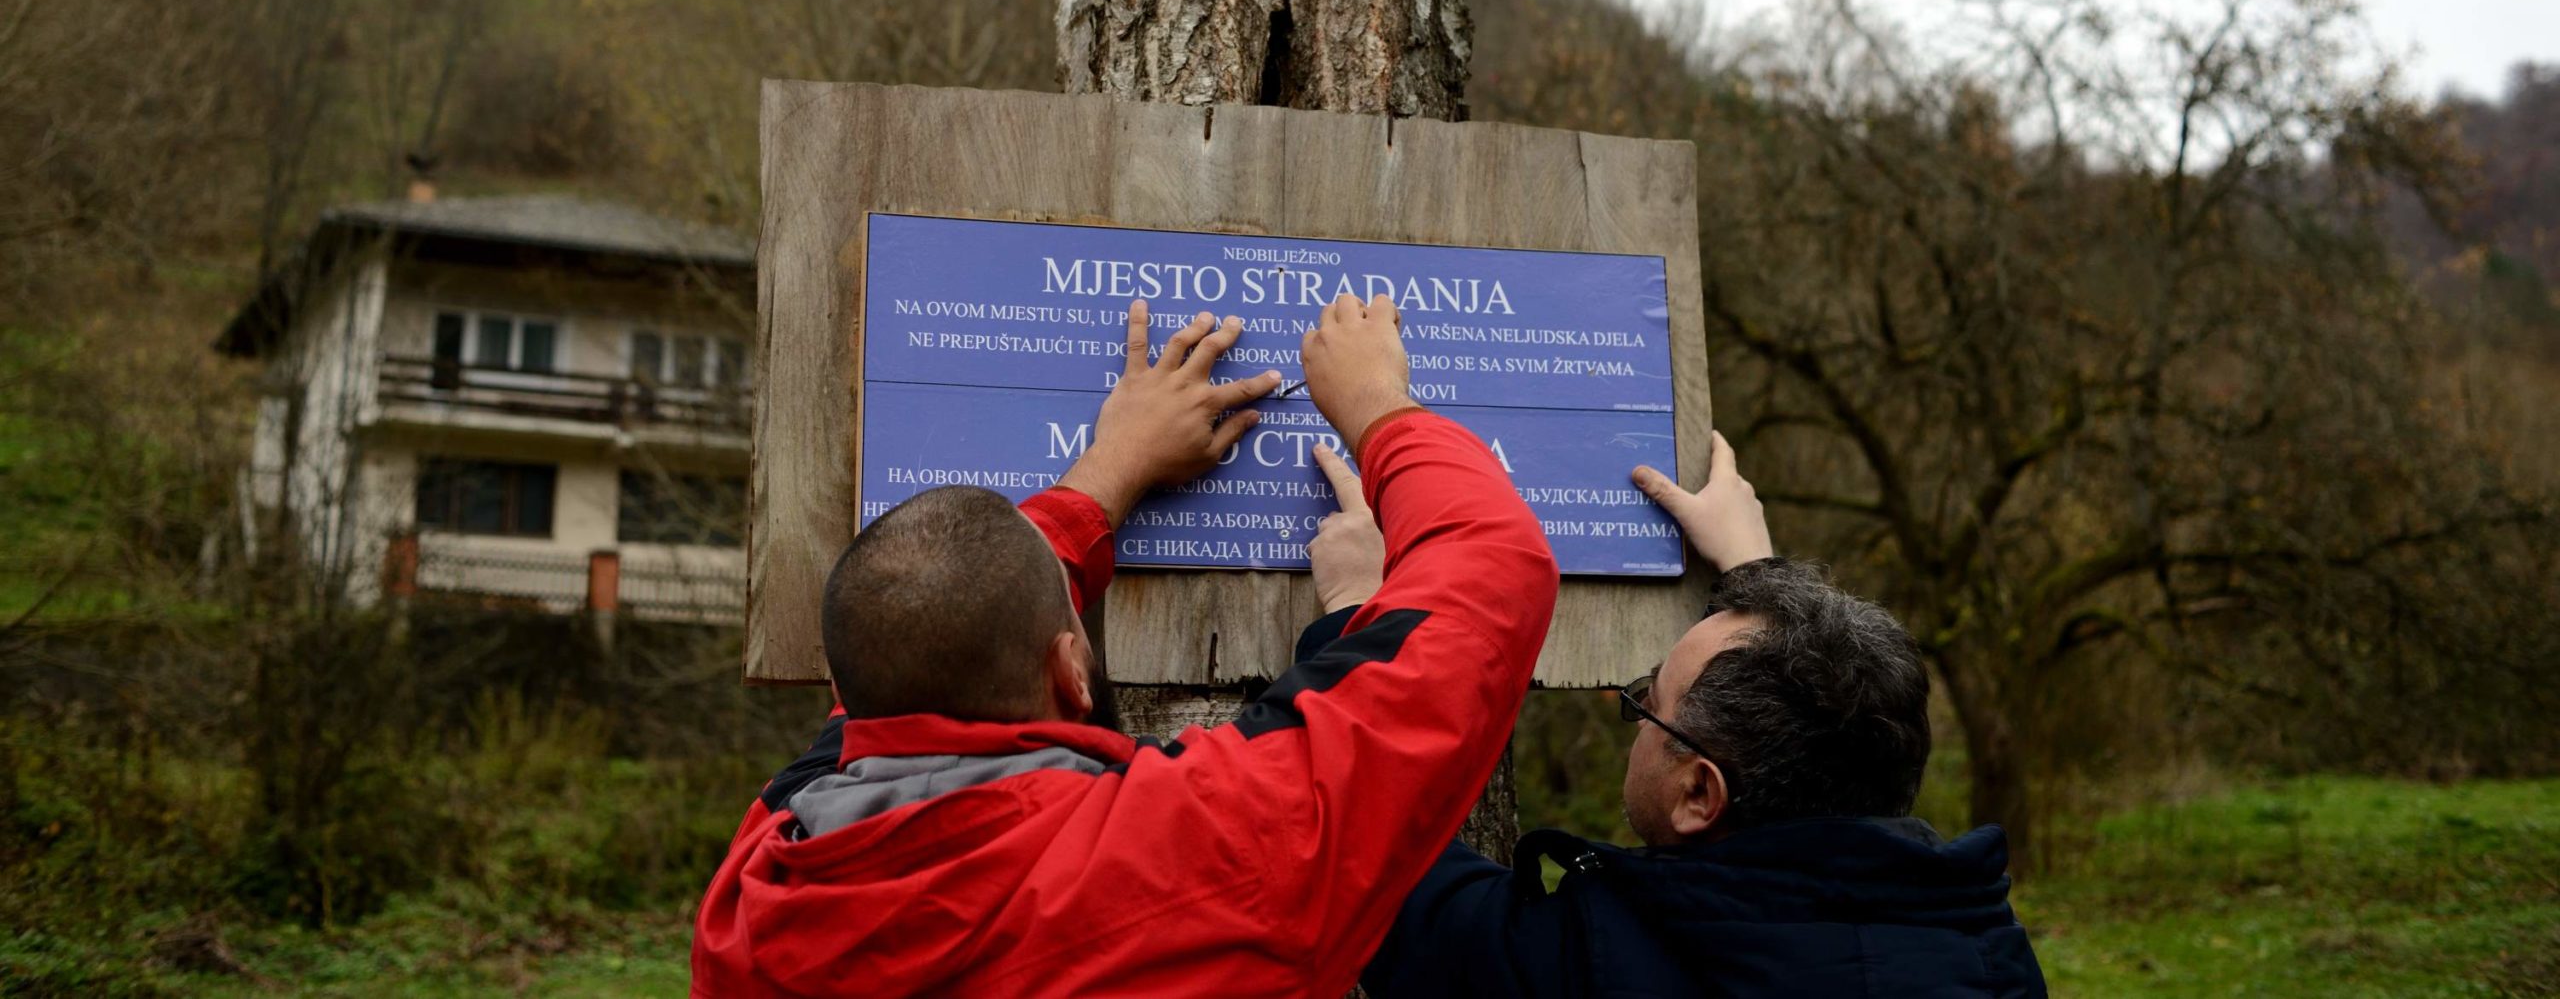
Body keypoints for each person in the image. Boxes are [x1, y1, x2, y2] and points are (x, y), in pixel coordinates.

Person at [691, 292, 1559, 998]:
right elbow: (1490, 574)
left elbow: (926, 628)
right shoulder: (1194, 855)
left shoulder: (754, 893)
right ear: (1072, 669)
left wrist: (1110, 469)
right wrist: (1379, 407)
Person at [1305, 432, 2048, 999]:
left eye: (1647, 705)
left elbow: (1382, 863)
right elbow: (1832, 705)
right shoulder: (1989, 952)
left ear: (1700, 794)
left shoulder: (1585, 964)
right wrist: (1755, 577)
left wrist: (1359, 619)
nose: (1635, 717)